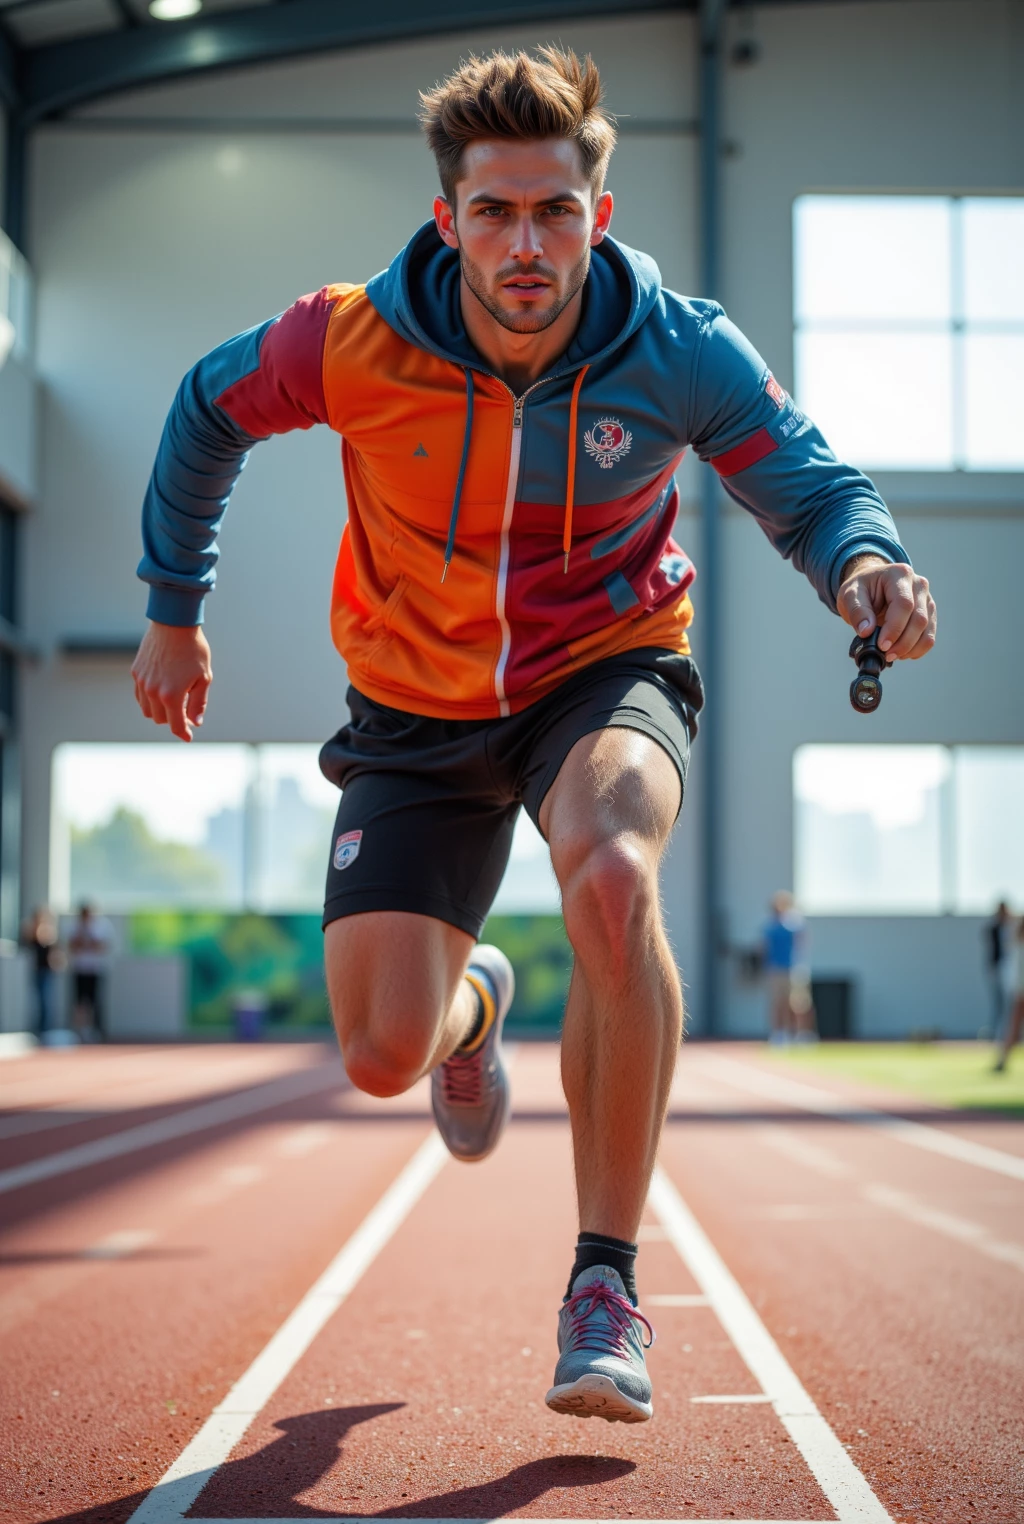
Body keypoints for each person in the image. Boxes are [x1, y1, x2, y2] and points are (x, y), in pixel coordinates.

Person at [130, 47, 937, 1423]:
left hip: (600, 667)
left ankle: (605, 1285)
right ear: (448, 218)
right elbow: (206, 412)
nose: (525, 242)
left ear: (596, 215)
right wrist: (174, 610)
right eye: (494, 212)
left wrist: (867, 565)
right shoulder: (349, 340)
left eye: (553, 210)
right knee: (382, 1055)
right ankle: (476, 1007)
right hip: (412, 702)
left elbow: (805, 479)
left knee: (615, 874)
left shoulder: (676, 346)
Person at [762, 891, 816, 1044]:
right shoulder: (770, 926)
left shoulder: (795, 923)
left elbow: (803, 943)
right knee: (778, 1003)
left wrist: (800, 965)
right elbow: (765, 947)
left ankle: (803, 1033)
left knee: (799, 1004)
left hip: (794, 969)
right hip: (775, 969)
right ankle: (779, 1034)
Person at [66, 901, 113, 1041]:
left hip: (95, 969)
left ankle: (97, 1030)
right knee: (79, 1001)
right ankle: (80, 1030)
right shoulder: (74, 926)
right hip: (79, 969)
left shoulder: (102, 925)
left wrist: (88, 942)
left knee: (96, 1001)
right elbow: (73, 945)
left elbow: (102, 946)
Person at [20, 906, 63, 1037]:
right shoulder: (32, 931)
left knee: (46, 999)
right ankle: (38, 1027)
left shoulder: (50, 931)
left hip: (46, 971)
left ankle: (45, 1028)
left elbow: (53, 948)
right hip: (36, 970)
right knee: (37, 999)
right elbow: (30, 939)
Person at [993, 916, 1024, 1074]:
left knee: (1013, 1028)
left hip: (1019, 993)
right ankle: (1002, 1060)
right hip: (1020, 993)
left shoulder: (1017, 947)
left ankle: (1002, 1061)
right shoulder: (1017, 947)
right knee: (1013, 1028)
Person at [981, 900, 1013, 1041]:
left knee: (1012, 1003)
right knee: (998, 1002)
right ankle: (995, 1032)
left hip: (1012, 970)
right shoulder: (993, 928)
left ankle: (1011, 1033)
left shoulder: (1013, 928)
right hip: (998, 969)